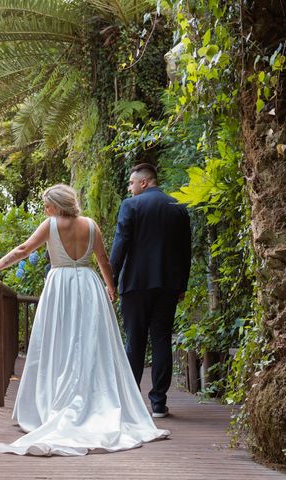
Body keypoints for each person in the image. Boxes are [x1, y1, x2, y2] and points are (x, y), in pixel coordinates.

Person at [0, 184, 169, 456]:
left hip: (60, 287)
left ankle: (58, 399)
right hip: (88, 286)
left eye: (47, 204)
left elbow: (24, 249)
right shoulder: (91, 225)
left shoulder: (50, 225)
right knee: (89, 343)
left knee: (60, 340)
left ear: (56, 206)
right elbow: (104, 260)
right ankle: (92, 397)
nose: (46, 208)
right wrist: (110, 287)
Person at [110, 163, 191, 419]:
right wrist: (182, 285)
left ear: (144, 182)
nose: (129, 187)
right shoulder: (177, 206)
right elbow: (185, 250)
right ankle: (158, 403)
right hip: (167, 285)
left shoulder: (131, 206)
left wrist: (111, 279)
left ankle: (132, 403)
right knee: (161, 340)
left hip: (135, 284)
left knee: (134, 341)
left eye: (132, 183)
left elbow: (121, 243)